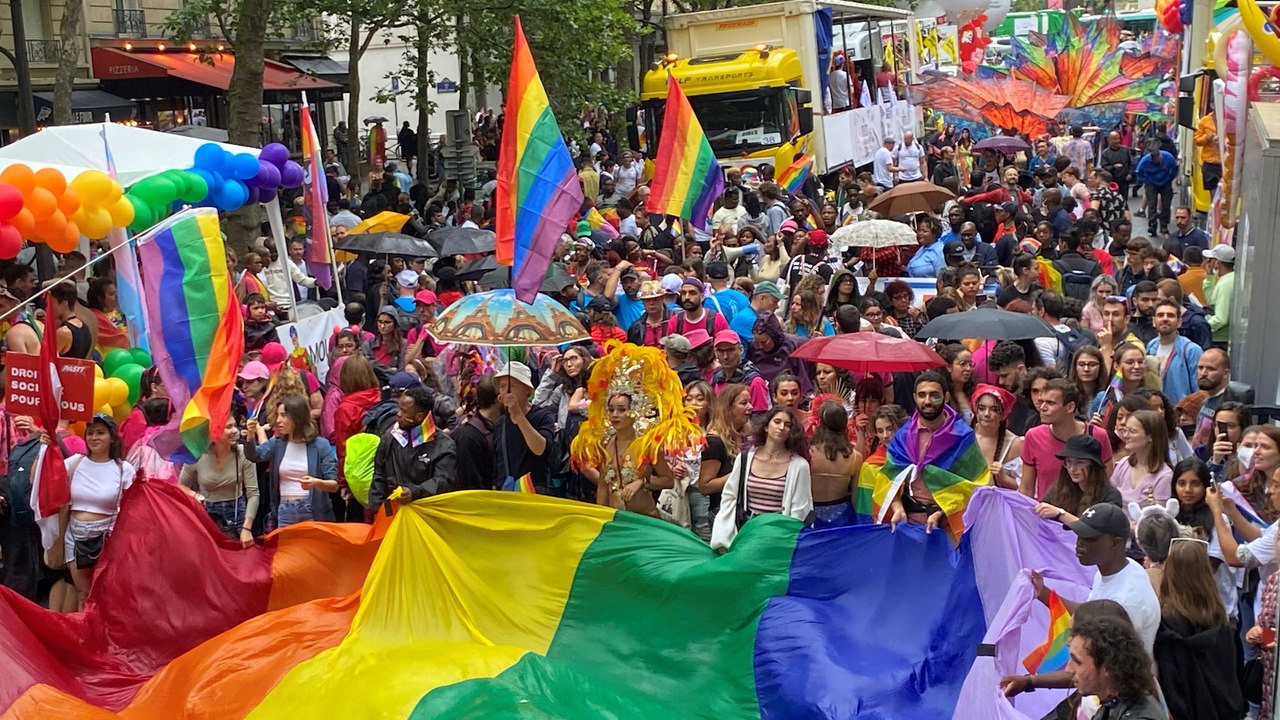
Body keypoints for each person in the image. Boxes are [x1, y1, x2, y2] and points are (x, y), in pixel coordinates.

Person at [1031, 501, 1161, 653]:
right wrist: (1044, 593)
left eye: (1090, 538)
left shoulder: (1125, 602)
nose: (1079, 543)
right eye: (1079, 535)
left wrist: (1031, 677)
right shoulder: (1122, 567)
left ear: (1115, 543)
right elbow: (1088, 613)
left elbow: (1107, 661)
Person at [881, 371, 990, 535]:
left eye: (934, 395)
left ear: (946, 397)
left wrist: (941, 512)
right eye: (922, 395)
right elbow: (889, 480)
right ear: (914, 397)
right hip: (908, 526)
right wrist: (897, 507)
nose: (927, 401)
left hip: (949, 527)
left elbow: (975, 486)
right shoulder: (903, 436)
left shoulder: (962, 437)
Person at [1153, 538, 1244, 720]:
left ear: (1170, 571)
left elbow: (1170, 683)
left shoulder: (1165, 623)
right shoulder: (1221, 619)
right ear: (1205, 571)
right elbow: (1232, 675)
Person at [53, 414, 134, 608]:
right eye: (90, 433)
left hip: (109, 539)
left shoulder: (124, 469)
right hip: (75, 537)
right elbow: (38, 479)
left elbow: (135, 507)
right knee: (83, 594)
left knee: (105, 595)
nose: (94, 437)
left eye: (100, 433)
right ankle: (85, 627)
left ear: (112, 438)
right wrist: (45, 448)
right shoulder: (74, 463)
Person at [711, 406, 813, 550]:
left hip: (778, 538)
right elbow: (729, 498)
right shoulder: (744, 458)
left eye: (787, 425)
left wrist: (786, 541)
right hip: (746, 533)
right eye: (777, 422)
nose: (781, 427)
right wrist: (723, 537)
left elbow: (801, 510)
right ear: (766, 426)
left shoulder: (799, 466)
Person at [244, 395, 338, 528]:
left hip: (314, 510)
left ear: (297, 417)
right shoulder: (277, 443)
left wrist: (317, 483)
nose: (278, 420)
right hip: (284, 510)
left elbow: (334, 485)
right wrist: (251, 434)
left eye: (283, 415)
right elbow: (255, 455)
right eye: (277, 415)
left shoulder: (321, 445)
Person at [368, 386, 457, 514]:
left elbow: (443, 481)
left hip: (426, 514)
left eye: (404, 411)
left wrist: (415, 492)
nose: (398, 414)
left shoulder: (443, 445)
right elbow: (379, 475)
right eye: (399, 408)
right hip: (392, 513)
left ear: (419, 417)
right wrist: (376, 510)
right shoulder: (390, 436)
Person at [1021, 379, 1113, 500]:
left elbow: (1106, 481)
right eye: (1041, 402)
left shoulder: (1098, 435)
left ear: (1070, 407)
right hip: (1046, 509)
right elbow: (1026, 489)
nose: (1042, 408)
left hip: (1087, 509)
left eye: (1050, 403)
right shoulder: (1033, 436)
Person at [1065, 616, 1166, 719]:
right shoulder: (1111, 706)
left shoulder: (1139, 716)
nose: (1068, 669)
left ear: (1108, 666)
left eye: (1078, 662)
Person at [181, 414, 259, 547]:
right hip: (208, 514)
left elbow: (253, 493)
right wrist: (195, 496)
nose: (235, 431)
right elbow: (182, 485)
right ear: (214, 432)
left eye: (235, 426)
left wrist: (247, 528)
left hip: (237, 513)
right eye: (228, 427)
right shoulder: (197, 455)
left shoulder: (243, 453)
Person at [493, 362, 556, 493]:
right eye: (502, 386)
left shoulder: (543, 416)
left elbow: (540, 449)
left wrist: (518, 416)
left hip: (534, 492)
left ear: (527, 390)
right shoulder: (499, 424)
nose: (506, 391)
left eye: (512, 386)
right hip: (507, 493)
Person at [1035, 433, 1123, 525]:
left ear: (1094, 465)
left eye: (1080, 462)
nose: (1072, 469)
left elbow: (1095, 530)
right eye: (1068, 462)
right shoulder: (1059, 490)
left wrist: (1061, 514)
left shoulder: (1110, 496)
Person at [808, 401, 863, 528]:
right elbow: (856, 499)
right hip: (843, 519)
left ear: (820, 423)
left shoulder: (807, 452)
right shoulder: (855, 457)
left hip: (811, 518)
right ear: (845, 424)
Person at [1147, 298, 1201, 406]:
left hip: (1180, 412)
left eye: (1170, 315)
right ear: (1154, 321)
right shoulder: (1151, 346)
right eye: (1160, 315)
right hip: (1155, 411)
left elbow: (1199, 392)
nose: (1165, 319)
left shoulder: (1191, 350)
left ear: (1179, 322)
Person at [971, 384, 1023, 490]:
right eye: (981, 408)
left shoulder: (1014, 444)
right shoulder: (963, 436)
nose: (986, 414)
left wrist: (1003, 478)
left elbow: (1024, 488)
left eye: (994, 409)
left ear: (1003, 414)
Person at [712, 330, 771, 412]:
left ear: (741, 350)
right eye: (720, 351)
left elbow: (759, 416)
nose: (725, 356)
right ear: (715, 352)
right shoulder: (716, 377)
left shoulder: (754, 381)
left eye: (730, 350)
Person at [1135, 144, 1177, 236]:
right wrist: (1146, 181)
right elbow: (1139, 173)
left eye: (1159, 157)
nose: (1158, 160)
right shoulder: (1145, 161)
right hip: (1151, 183)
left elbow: (1174, 169)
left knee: (1166, 204)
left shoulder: (1168, 157)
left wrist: (1169, 178)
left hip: (1165, 182)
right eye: (1156, 159)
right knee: (1152, 204)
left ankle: (1164, 226)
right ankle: (1152, 226)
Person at [1203, 244, 1234, 348]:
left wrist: (1203, 326)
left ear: (1217, 263)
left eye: (1210, 260)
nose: (1208, 262)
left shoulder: (1226, 283)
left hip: (1220, 340)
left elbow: (1221, 318)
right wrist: (1209, 277)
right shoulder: (1227, 279)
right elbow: (1212, 301)